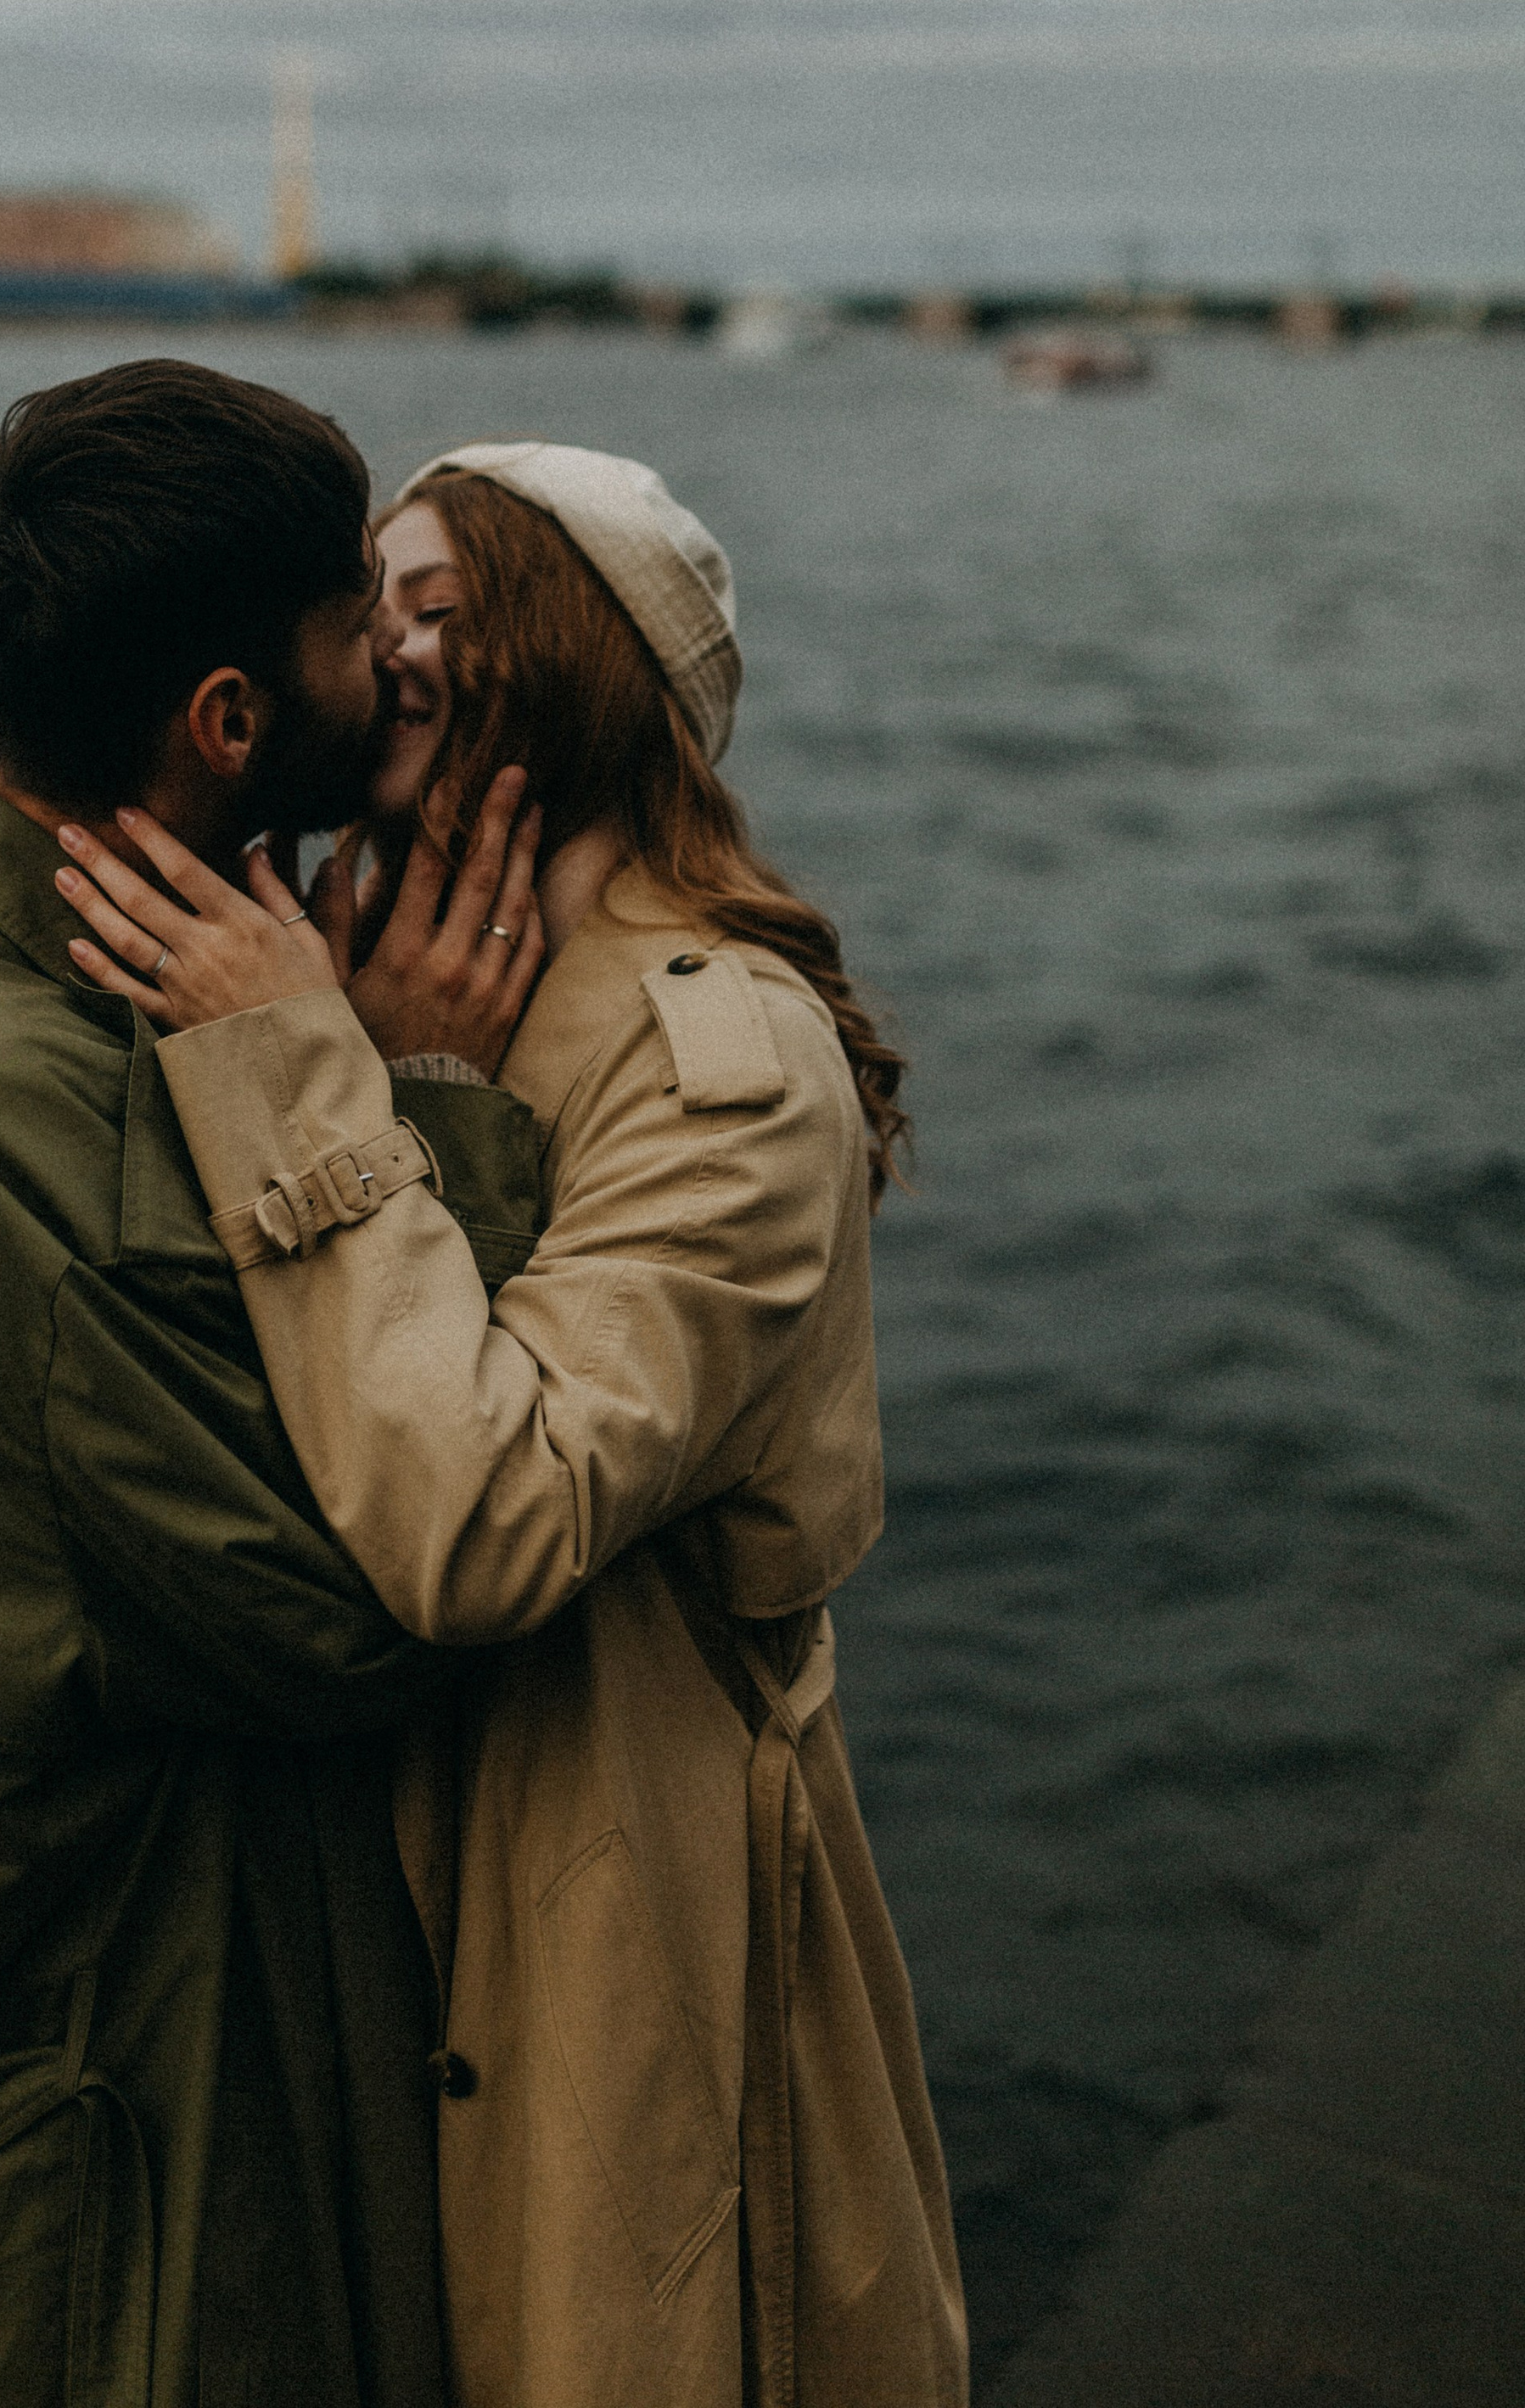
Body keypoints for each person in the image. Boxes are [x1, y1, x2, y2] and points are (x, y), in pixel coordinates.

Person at [53, 439, 970, 2408]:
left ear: (573, 664)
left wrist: (307, 1080)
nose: (372, 652)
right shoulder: (395, 970)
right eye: (364, 602)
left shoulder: (718, 1066)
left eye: (436, 610)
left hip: (616, 1895)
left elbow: (484, 1520)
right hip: (386, 1855)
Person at [0, 363, 547, 2408]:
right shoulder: (11, 1099)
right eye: (362, 622)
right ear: (230, 721)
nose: (401, 666)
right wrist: (425, 1106)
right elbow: (371, 1601)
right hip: (107, 2199)